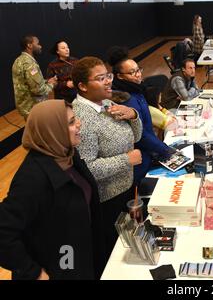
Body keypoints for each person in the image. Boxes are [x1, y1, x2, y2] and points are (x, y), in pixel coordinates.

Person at [0, 100, 105, 280]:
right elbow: (3, 232)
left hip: (77, 257)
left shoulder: (69, 155)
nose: (79, 123)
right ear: (52, 130)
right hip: (60, 266)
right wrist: (34, 272)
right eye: (71, 122)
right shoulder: (31, 178)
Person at [71, 56, 143, 263]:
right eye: (101, 78)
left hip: (125, 188)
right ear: (83, 86)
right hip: (106, 199)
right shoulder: (81, 118)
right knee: (114, 257)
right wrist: (126, 160)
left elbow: (135, 137)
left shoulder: (107, 103)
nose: (108, 81)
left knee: (128, 249)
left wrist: (133, 115)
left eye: (108, 76)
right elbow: (87, 169)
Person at [108, 47, 175, 186]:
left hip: (148, 151)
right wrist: (164, 149)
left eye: (138, 70)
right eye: (132, 72)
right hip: (139, 160)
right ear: (120, 76)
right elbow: (141, 135)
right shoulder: (128, 100)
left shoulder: (136, 90)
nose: (138, 75)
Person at [12, 34, 58, 120]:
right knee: (42, 132)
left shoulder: (18, 60)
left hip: (26, 108)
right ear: (29, 45)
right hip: (34, 108)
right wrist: (52, 85)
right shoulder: (30, 64)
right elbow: (38, 90)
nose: (40, 46)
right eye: (37, 43)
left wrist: (46, 82)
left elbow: (27, 82)